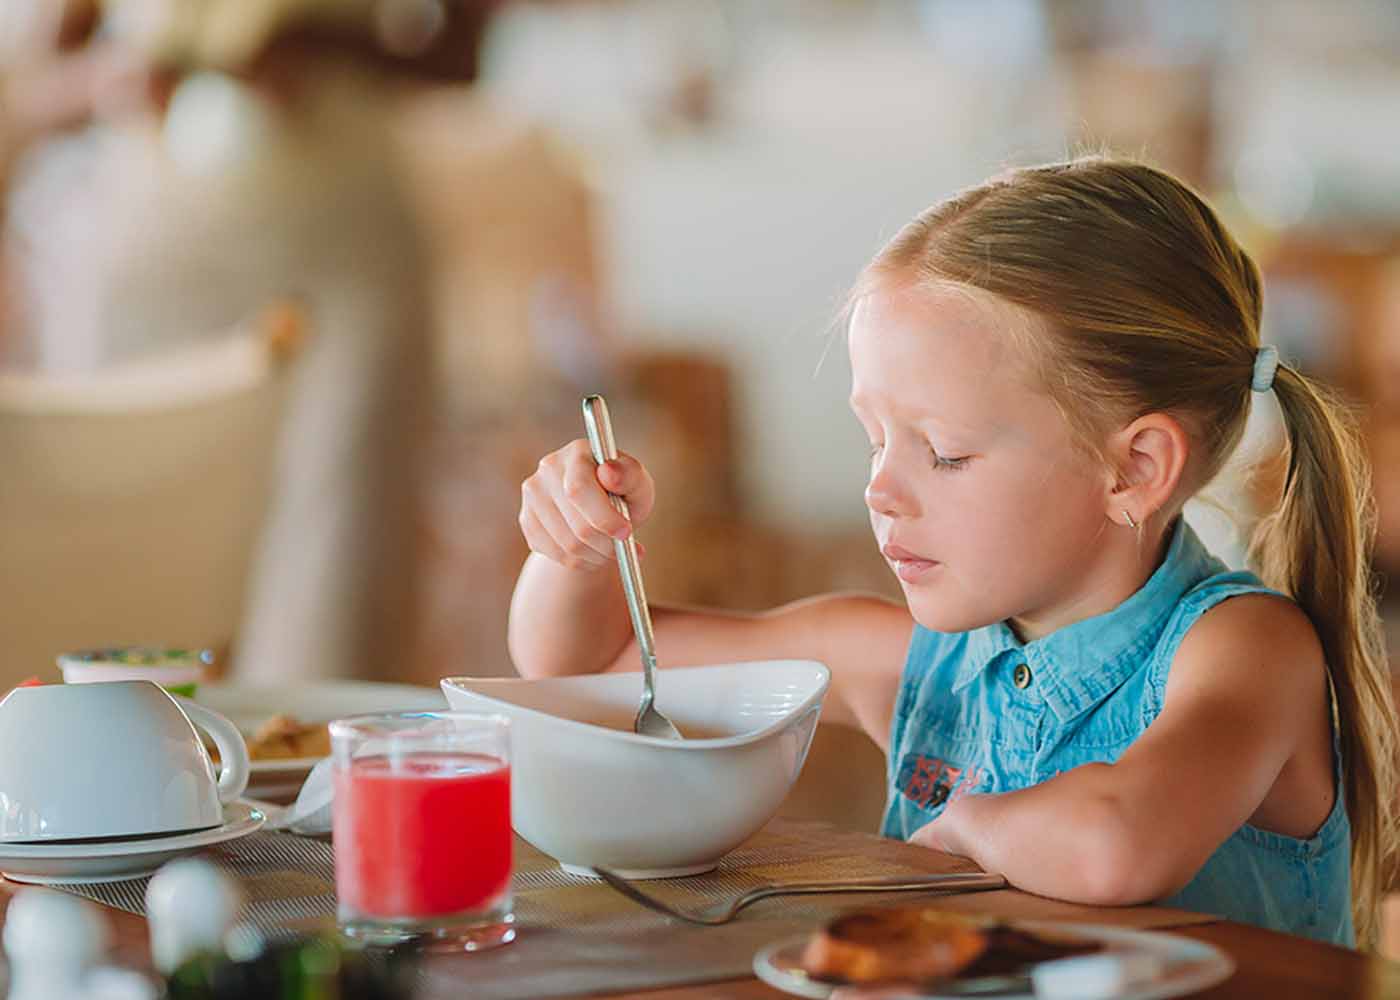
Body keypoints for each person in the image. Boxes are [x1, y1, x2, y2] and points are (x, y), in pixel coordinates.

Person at [507, 156, 1397, 947]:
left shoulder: (1244, 650)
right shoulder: (905, 660)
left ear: (1135, 468)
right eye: (874, 440)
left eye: (944, 452)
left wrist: (960, 830)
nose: (879, 490)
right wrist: (580, 549)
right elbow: (586, 667)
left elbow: (1118, 845)